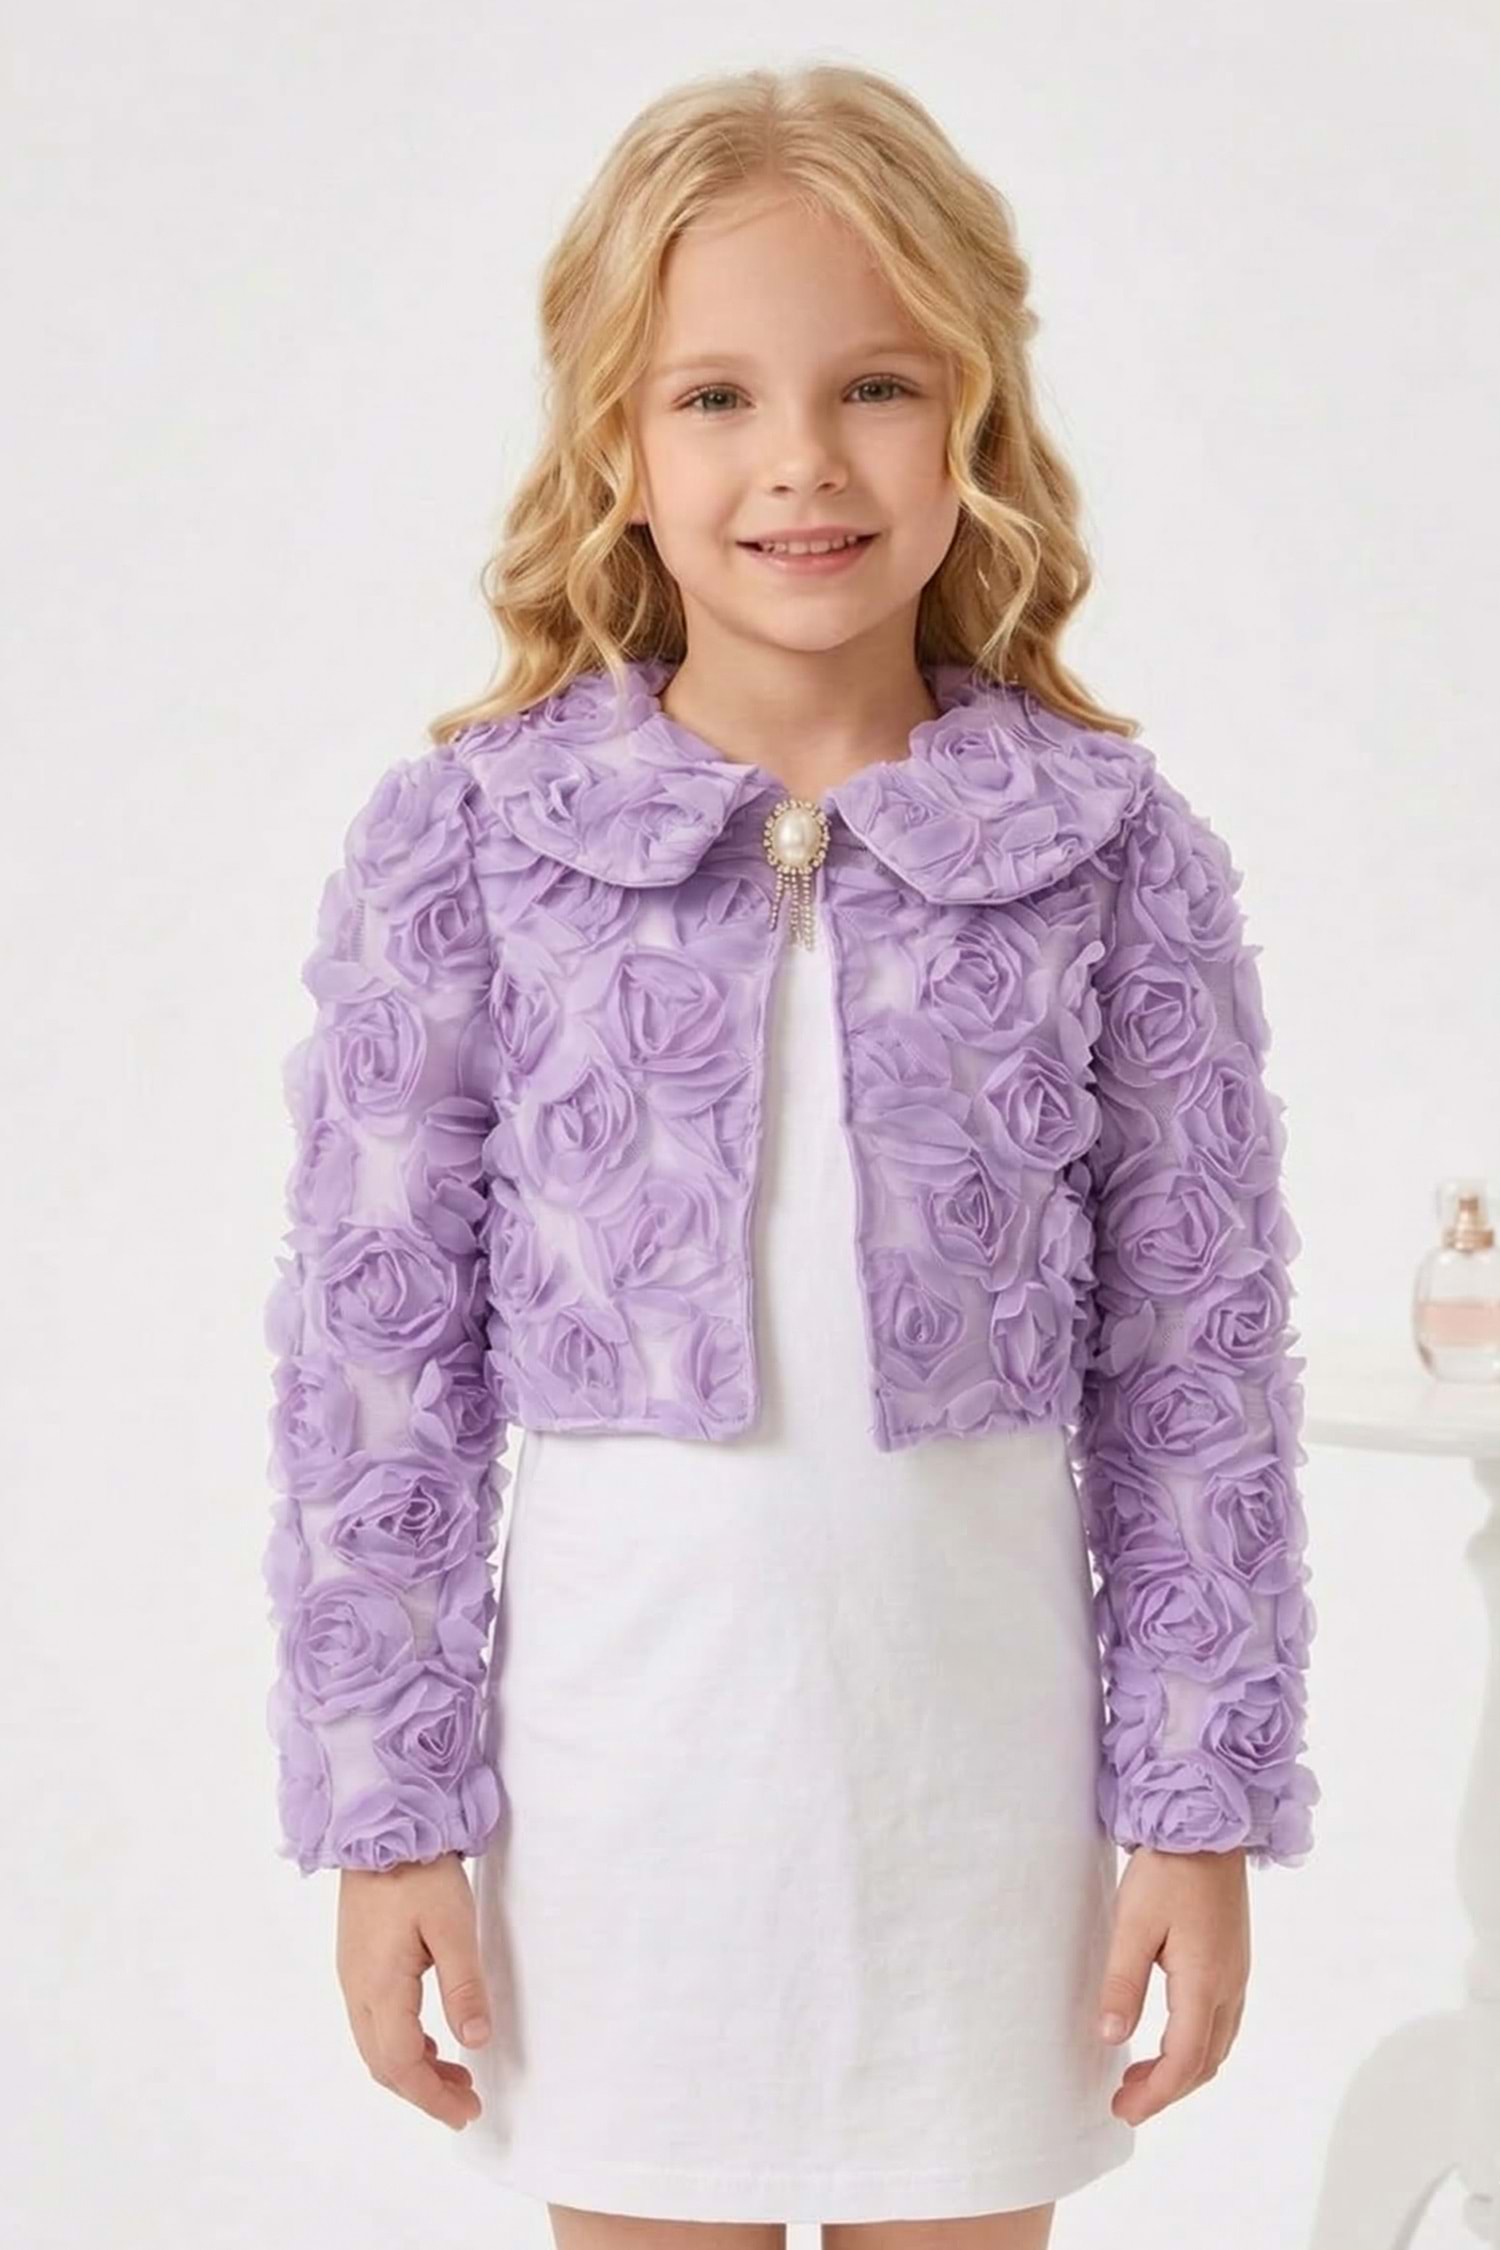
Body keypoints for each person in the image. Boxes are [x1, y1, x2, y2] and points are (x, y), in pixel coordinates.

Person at [259, 59, 1320, 2250]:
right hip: (621, 1822)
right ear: (618, 448)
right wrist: (387, 1819)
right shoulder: (474, 847)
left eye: (876, 387)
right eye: (717, 397)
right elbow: (376, 1388)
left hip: (979, 1825)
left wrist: (1198, 1811)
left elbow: (1197, 1380)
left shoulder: (1114, 859)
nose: (803, 461)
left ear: (976, 418)